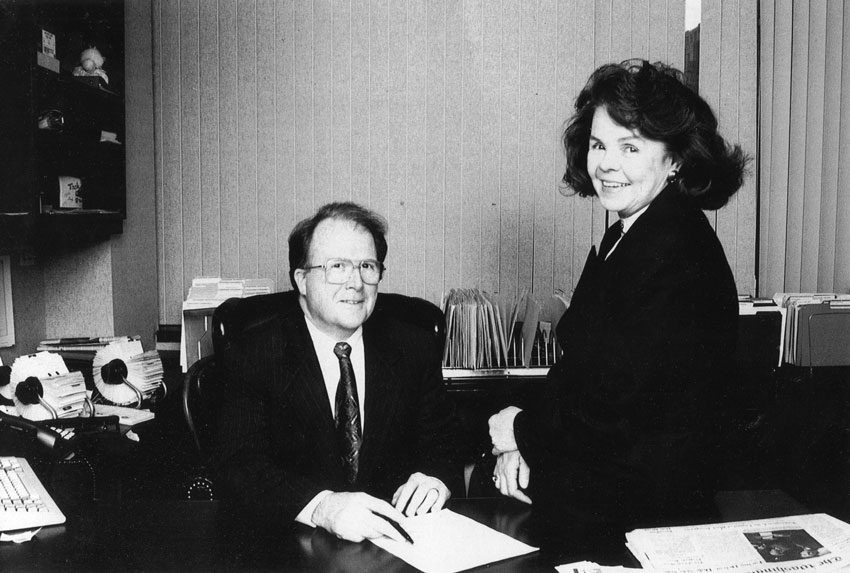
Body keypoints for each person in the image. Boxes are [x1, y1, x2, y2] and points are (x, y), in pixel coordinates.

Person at [488, 60, 749, 537]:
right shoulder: (634, 232)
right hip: (612, 496)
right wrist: (521, 446)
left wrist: (522, 433)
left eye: (630, 147)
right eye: (598, 144)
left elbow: (618, 408)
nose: (607, 163)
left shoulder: (676, 253)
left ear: (676, 160)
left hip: (647, 517)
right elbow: (586, 372)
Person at [216, 202, 463, 543]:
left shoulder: (413, 346)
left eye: (367, 266)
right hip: (294, 547)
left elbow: (444, 445)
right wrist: (321, 507)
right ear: (302, 279)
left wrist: (435, 479)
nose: (356, 283)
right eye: (337, 267)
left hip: (395, 547)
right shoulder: (254, 353)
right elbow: (240, 465)